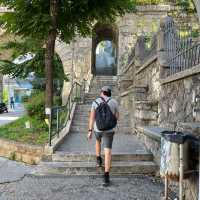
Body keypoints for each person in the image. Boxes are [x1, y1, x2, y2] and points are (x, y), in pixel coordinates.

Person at [88, 86, 119, 186]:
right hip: (109, 130)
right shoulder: (114, 102)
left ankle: (98, 159)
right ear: (109, 93)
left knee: (98, 141)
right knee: (108, 151)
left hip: (98, 128)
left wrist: (90, 130)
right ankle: (106, 175)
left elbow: (92, 118)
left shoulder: (95, 102)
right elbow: (117, 116)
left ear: (102, 92)